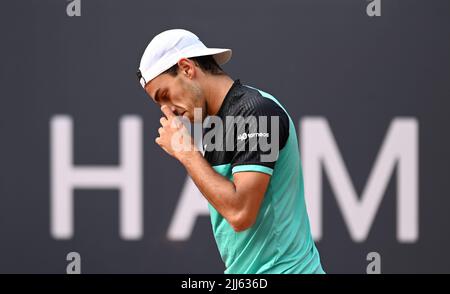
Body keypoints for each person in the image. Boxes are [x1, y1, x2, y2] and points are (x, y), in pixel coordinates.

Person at [137, 29, 324, 274]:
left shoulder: (257, 112)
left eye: (165, 95)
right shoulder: (216, 124)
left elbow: (240, 213)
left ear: (186, 68)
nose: (168, 110)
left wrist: (185, 152)